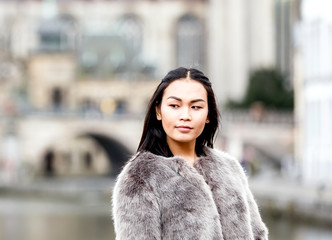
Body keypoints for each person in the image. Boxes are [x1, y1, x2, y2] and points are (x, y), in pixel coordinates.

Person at [112, 67, 268, 240]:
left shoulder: (230, 168)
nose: (185, 115)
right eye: (174, 105)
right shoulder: (139, 177)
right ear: (158, 111)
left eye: (196, 106)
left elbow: (258, 234)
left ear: (208, 114)